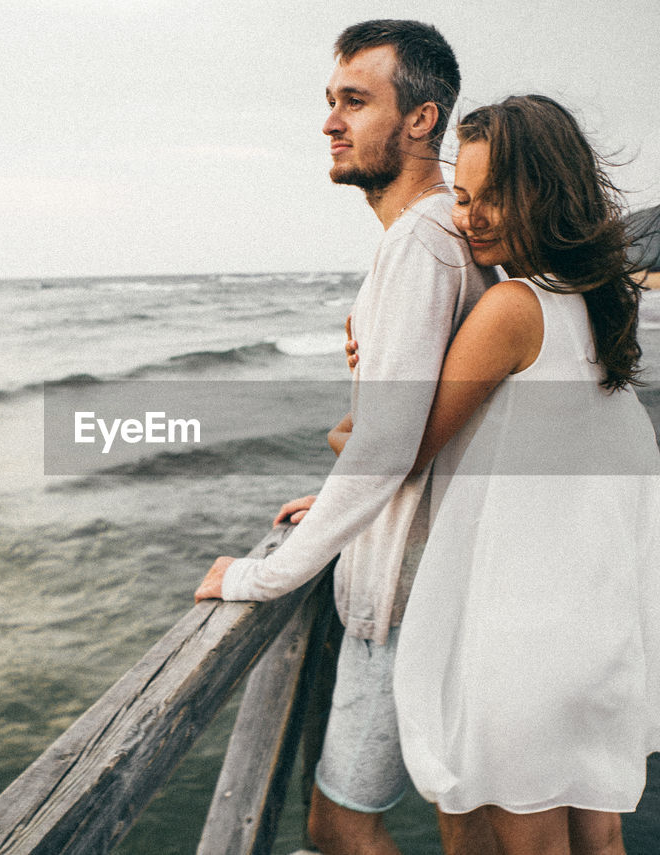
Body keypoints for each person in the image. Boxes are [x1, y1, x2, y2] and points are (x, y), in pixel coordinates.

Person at [341, 94, 660, 854]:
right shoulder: (591, 307)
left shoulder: (511, 308)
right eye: (462, 196)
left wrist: (371, 366)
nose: (474, 216)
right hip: (595, 625)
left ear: (549, 192)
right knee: (597, 839)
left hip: (524, 638)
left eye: (498, 193)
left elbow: (390, 450)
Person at [193, 19, 501, 855]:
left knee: (339, 826)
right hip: (448, 580)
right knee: (464, 823)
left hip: (406, 596)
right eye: (330, 101)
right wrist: (339, 492)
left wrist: (262, 575)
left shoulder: (421, 246)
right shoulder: (451, 238)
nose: (330, 121)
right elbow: (409, 429)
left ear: (422, 119)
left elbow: (386, 446)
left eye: (355, 102)